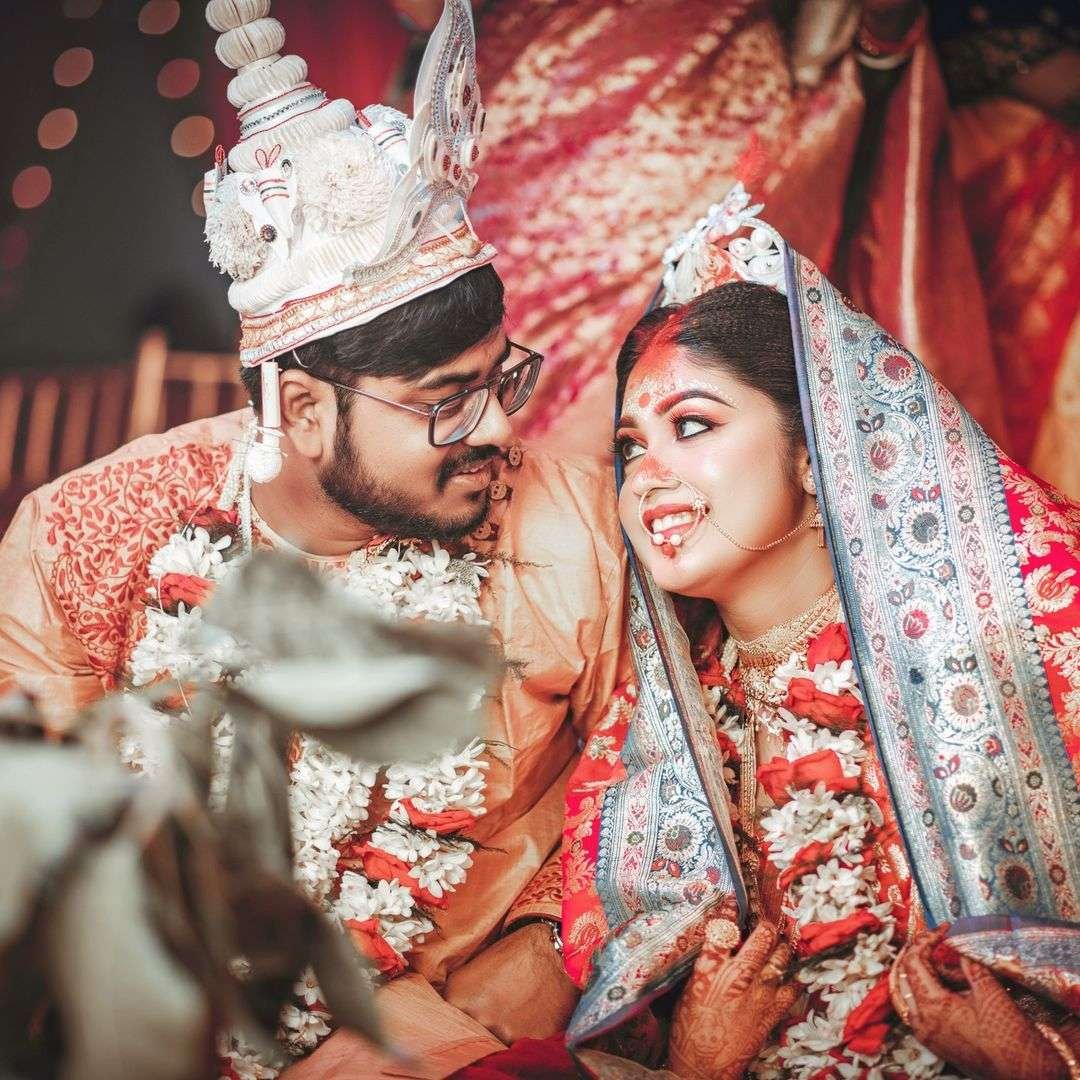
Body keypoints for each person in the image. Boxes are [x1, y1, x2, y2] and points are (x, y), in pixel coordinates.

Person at [0, 2, 627, 1075]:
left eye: (501, 379)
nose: (499, 429)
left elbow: (657, 809)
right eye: (446, 401)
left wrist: (466, 1018)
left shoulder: (574, 528)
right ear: (299, 411)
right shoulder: (86, 537)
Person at [560, 187, 1080, 1078]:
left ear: (815, 453)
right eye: (631, 446)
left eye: (692, 425)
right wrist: (695, 1067)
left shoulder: (1019, 648)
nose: (646, 476)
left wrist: (1037, 1065)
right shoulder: (648, 734)